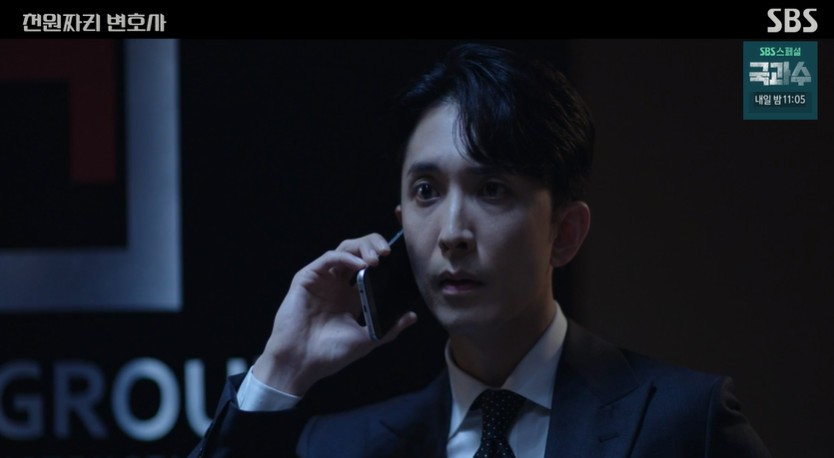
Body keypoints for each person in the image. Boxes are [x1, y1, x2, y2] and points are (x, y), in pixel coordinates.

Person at [190, 43, 770, 457]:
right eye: (426, 191)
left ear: (565, 232)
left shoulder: (683, 422)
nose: (452, 233)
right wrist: (282, 368)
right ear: (400, 225)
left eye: (492, 189)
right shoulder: (345, 446)